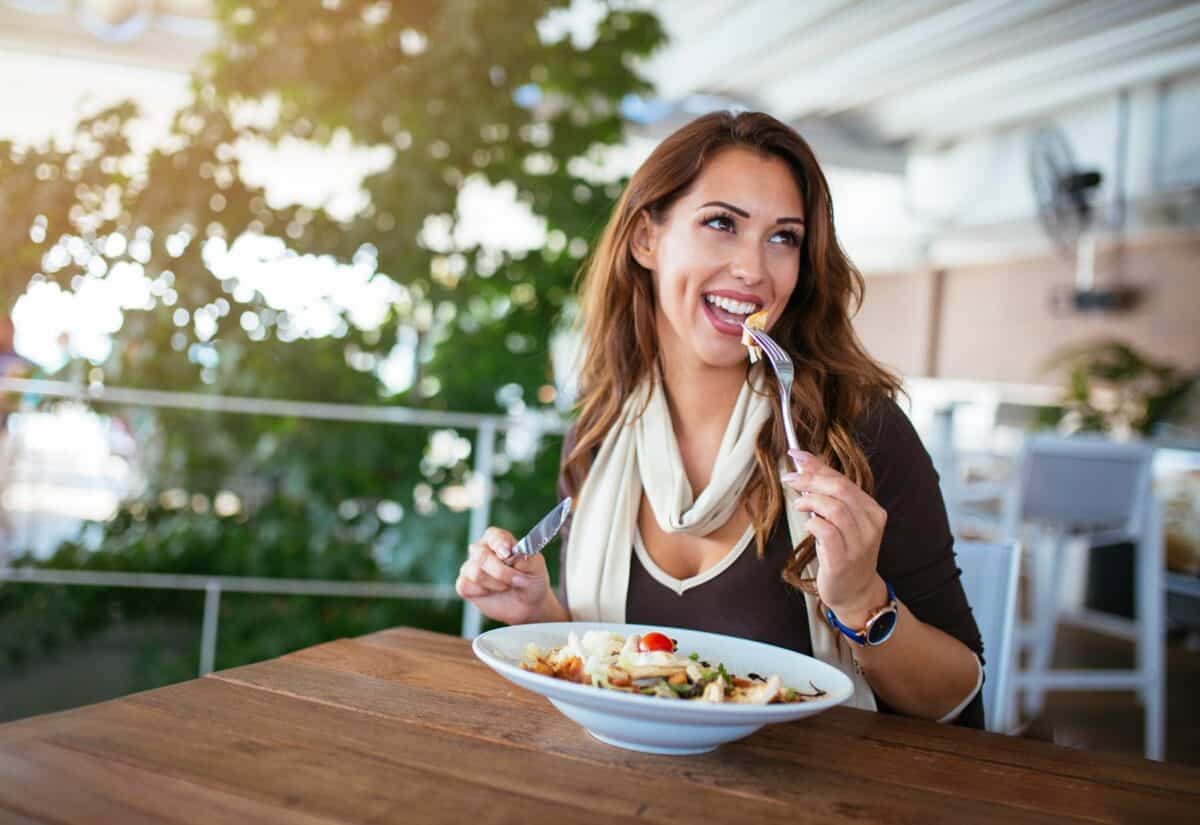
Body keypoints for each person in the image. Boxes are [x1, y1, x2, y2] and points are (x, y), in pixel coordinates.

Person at [456, 111, 985, 727]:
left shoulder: (859, 429)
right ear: (645, 239)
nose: (754, 270)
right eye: (721, 224)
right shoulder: (599, 439)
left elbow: (959, 700)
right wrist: (540, 614)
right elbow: (616, 669)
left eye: (783, 237)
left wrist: (865, 601)